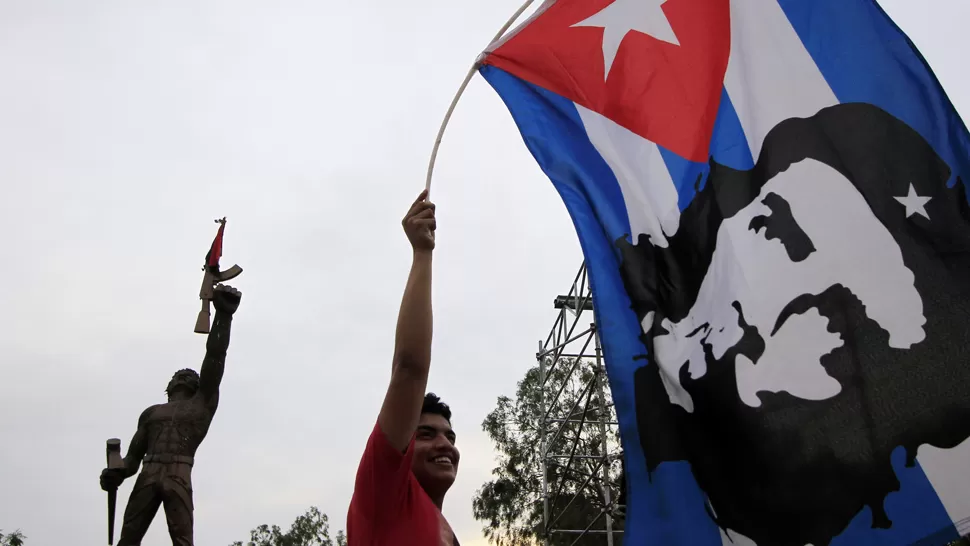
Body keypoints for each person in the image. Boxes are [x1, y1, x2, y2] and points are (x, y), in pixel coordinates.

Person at [347, 190, 461, 545]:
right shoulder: (384, 492)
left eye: (449, 436)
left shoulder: (444, 528)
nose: (445, 444)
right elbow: (410, 369)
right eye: (426, 435)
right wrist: (423, 253)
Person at [99, 284, 242, 546]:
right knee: (128, 537)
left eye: (190, 375)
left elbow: (215, 356)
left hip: (179, 471)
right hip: (148, 470)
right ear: (170, 384)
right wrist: (115, 473)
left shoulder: (202, 403)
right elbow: (131, 459)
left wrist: (224, 316)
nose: (183, 375)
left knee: (182, 539)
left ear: (197, 385)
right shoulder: (151, 413)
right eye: (179, 374)